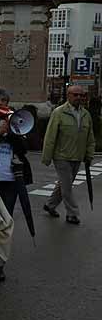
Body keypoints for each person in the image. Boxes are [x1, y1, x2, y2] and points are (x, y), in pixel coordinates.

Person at [0, 87, 31, 281]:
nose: (1, 103)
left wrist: (10, 132)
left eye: (4, 100)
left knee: (4, 223)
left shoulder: (13, 122)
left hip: (8, 179)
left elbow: (24, 150)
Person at [42, 85, 95, 225]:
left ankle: (50, 205)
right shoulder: (59, 112)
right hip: (61, 156)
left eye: (81, 95)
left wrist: (89, 154)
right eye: (75, 95)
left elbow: (90, 137)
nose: (79, 98)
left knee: (65, 184)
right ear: (68, 95)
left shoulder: (86, 114)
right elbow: (50, 136)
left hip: (77, 156)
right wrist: (47, 156)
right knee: (67, 187)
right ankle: (72, 214)